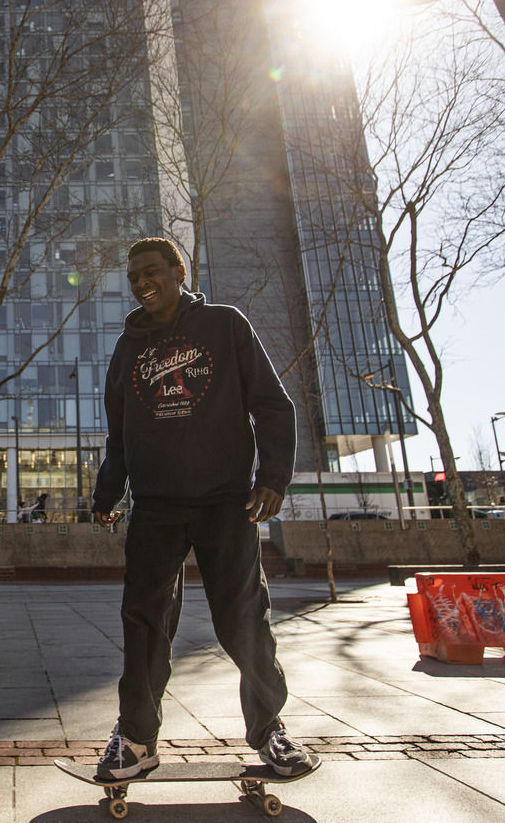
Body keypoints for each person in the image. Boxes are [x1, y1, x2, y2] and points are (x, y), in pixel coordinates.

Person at [89, 237, 315, 781]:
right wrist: (106, 494)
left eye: (152, 271)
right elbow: (119, 438)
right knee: (144, 624)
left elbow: (272, 405)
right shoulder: (126, 350)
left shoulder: (224, 325)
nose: (142, 282)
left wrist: (274, 480)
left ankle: (270, 732)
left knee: (243, 621)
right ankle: (138, 740)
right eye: (134, 275)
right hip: (156, 508)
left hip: (224, 503)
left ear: (177, 270)